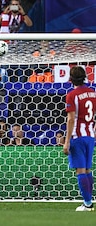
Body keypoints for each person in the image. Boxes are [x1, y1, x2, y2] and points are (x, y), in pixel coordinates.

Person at [63, 66, 96, 211]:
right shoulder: (93, 93)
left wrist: (67, 141)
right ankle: (89, 201)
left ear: (71, 79)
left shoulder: (72, 95)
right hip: (90, 135)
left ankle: (87, 204)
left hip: (77, 136)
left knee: (81, 170)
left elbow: (71, 120)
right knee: (88, 169)